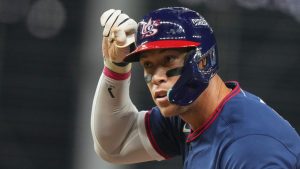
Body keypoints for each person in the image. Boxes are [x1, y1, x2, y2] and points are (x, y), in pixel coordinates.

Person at [91, 7, 300, 168]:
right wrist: (115, 68)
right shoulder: (190, 115)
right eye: (148, 65)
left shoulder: (249, 147)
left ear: (203, 61)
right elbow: (116, 145)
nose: (157, 78)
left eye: (169, 60)